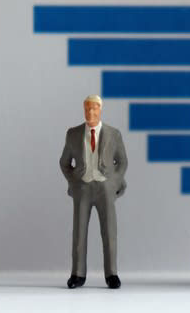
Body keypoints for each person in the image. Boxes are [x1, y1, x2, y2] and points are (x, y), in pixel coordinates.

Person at [59, 95, 128, 289]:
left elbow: (122, 162)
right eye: (87, 109)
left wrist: (113, 182)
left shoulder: (113, 134)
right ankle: (77, 274)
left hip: (104, 188)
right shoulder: (73, 134)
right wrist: (74, 181)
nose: (90, 112)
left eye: (94, 109)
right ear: (84, 110)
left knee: (109, 232)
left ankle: (112, 274)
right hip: (83, 188)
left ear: (100, 110)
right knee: (79, 232)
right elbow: (64, 162)